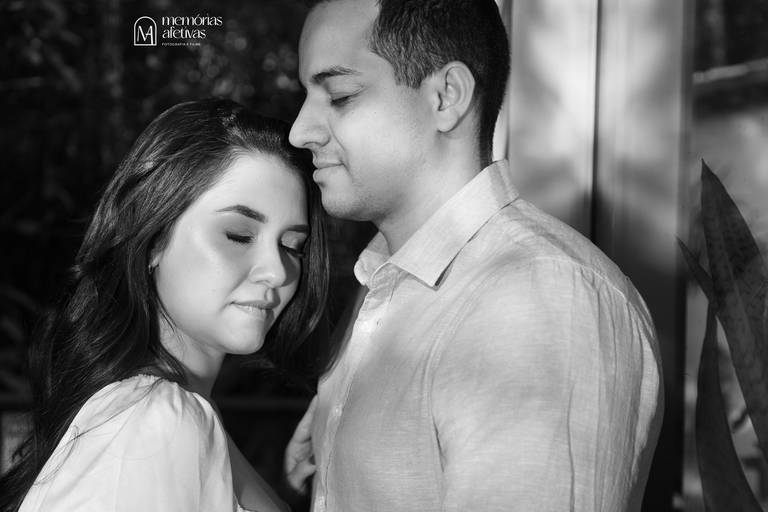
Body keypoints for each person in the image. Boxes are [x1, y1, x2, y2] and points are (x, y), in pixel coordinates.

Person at [284, 0, 664, 511]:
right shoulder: (390, 289)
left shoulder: (539, 296)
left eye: (340, 96)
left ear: (447, 96)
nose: (300, 131)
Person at [0, 98, 329, 512]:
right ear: (154, 240)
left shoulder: (169, 414)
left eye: (292, 246)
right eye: (239, 235)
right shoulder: (157, 420)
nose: (277, 271)